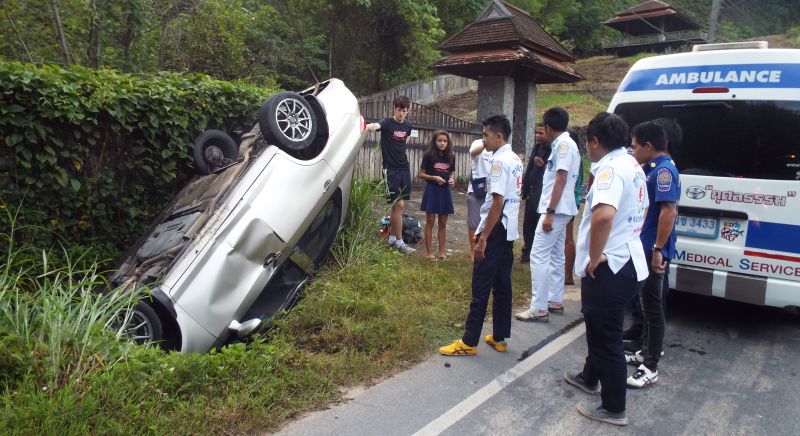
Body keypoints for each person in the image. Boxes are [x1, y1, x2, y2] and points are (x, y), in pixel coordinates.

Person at [563, 112, 648, 427]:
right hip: (628, 259)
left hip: (611, 266)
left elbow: (602, 217)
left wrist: (595, 255)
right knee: (599, 328)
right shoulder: (632, 166)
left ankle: (614, 408)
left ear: (595, 141)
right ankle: (589, 376)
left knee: (605, 336)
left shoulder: (610, 170)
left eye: (587, 142)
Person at [439, 115, 522, 356]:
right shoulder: (515, 158)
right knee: (502, 284)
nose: (483, 140)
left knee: (481, 285)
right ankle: (499, 337)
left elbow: (497, 201)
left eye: (486, 135)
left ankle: (469, 342)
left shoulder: (498, 161)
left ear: (499, 136)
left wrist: (483, 238)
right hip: (508, 228)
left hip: (495, 229)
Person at [625, 121, 680, 389]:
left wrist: (658, 249)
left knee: (653, 307)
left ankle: (651, 366)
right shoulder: (654, 168)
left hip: (653, 250)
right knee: (646, 305)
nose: (633, 151)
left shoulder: (665, 172)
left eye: (635, 146)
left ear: (649, 146)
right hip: (646, 245)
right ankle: (645, 351)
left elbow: (669, 211)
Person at [516, 107, 580, 322]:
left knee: (538, 254)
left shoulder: (562, 145)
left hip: (556, 209)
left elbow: (560, 179)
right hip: (563, 208)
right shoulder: (567, 143)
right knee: (555, 254)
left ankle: (538, 306)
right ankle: (554, 299)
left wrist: (550, 212)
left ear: (549, 127)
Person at [366, 95, 416, 254]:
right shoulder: (387, 123)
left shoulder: (408, 126)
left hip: (404, 167)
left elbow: (406, 140)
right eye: (399, 110)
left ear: (408, 111)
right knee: (398, 205)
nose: (402, 113)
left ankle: (392, 238)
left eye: (404, 111)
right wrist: (367, 126)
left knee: (398, 206)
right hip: (390, 168)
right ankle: (400, 243)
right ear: (395, 108)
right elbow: (375, 126)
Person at [418, 130, 455, 260]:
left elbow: (451, 173)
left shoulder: (451, 156)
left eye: (445, 141)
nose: (442, 143)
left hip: (445, 191)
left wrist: (451, 180)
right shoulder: (428, 156)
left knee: (443, 223)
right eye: (439, 140)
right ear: (435, 141)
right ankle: (429, 253)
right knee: (430, 221)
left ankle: (442, 252)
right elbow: (420, 174)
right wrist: (433, 177)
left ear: (448, 143)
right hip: (432, 190)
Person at [519, 124, 551, 263]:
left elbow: (553, 172)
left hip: (541, 194)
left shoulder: (552, 149)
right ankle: (527, 252)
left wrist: (543, 164)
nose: (537, 135)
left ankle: (537, 254)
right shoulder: (536, 147)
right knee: (528, 224)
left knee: (538, 224)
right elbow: (529, 169)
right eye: (536, 132)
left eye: (540, 133)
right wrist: (524, 187)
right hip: (531, 192)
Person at [564, 128, 585, 286]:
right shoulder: (576, 155)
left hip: (569, 201)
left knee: (567, 239)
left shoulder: (572, 156)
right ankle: (566, 274)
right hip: (572, 200)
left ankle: (568, 276)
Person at [467, 138, 493, 260]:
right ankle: (473, 250)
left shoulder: (499, 148)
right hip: (476, 190)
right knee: (474, 223)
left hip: (493, 191)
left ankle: (487, 249)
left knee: (490, 222)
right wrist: (486, 142)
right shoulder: (478, 143)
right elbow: (473, 152)